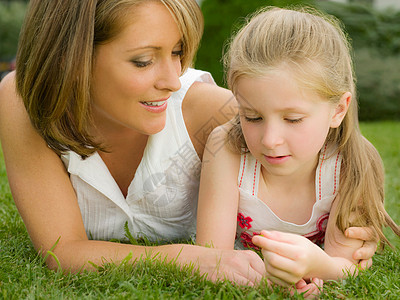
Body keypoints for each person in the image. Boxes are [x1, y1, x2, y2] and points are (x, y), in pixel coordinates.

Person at [0, 0, 377, 286]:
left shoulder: (213, 113)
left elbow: (324, 138)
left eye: (178, 52)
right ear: (72, 58)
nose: (172, 79)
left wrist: (346, 241)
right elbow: (62, 250)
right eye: (144, 61)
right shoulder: (24, 103)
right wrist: (187, 258)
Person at [196, 6, 400, 295]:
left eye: (292, 119)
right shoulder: (228, 150)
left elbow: (348, 262)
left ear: (338, 110)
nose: (270, 140)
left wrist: (321, 266)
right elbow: (212, 257)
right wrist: (275, 278)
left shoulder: (351, 163)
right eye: (252, 116)